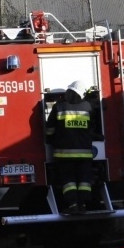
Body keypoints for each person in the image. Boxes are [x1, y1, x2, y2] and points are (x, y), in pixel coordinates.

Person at [45, 80, 96, 215]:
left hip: (64, 154)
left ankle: (73, 205)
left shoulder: (59, 107)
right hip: (85, 154)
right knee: (84, 180)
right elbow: (93, 128)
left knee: (69, 181)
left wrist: (49, 139)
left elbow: (50, 128)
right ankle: (84, 205)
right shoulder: (88, 107)